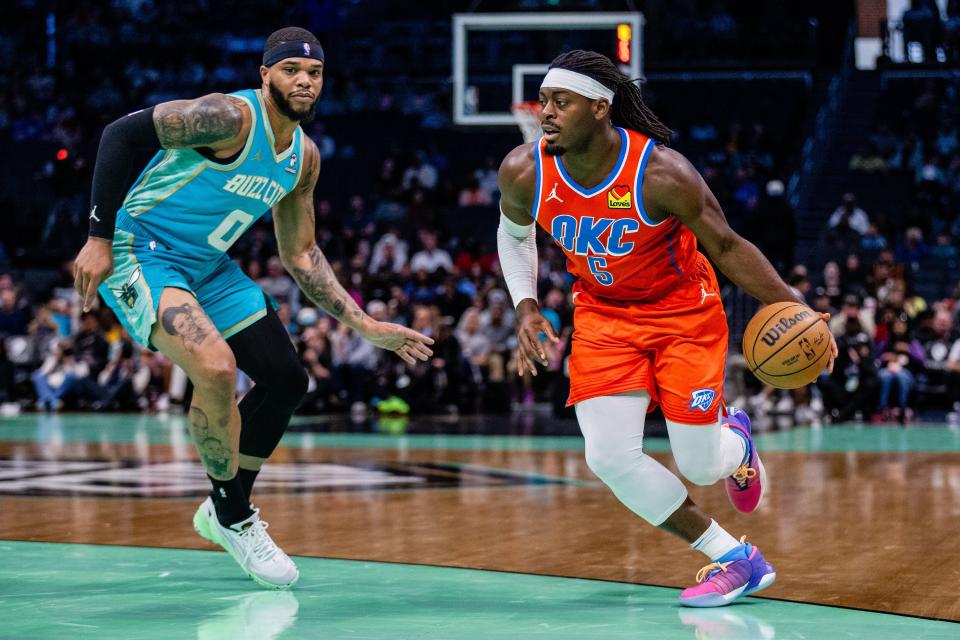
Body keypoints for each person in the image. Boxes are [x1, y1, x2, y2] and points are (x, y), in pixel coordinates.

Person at [71, 27, 434, 589]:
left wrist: (364, 324)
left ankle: (224, 508)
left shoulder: (304, 160)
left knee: (287, 381)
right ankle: (234, 516)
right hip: (142, 249)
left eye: (314, 74)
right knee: (215, 368)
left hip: (209, 266)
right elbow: (120, 135)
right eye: (291, 70)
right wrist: (97, 237)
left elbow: (302, 255)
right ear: (265, 76)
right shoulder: (227, 118)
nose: (304, 82)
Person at [496, 50, 836, 608]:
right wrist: (526, 305)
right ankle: (735, 559)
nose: (546, 113)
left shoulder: (661, 174)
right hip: (604, 316)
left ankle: (738, 446)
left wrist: (801, 310)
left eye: (562, 102)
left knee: (700, 462)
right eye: (545, 101)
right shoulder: (523, 170)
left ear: (601, 108)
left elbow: (727, 245)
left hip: (683, 314)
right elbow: (513, 237)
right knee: (606, 456)